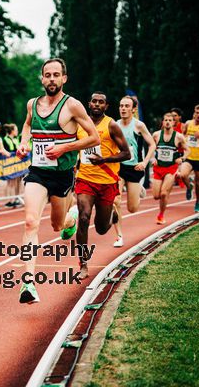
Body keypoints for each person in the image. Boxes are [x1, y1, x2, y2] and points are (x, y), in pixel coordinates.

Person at [16, 58, 100, 304]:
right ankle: (28, 283)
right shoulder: (33, 104)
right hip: (38, 172)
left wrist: (65, 147)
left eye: (56, 75)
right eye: (47, 75)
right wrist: (24, 143)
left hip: (62, 175)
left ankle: (69, 219)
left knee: (57, 226)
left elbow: (93, 138)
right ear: (41, 78)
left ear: (64, 78)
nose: (51, 79)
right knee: (31, 222)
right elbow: (27, 126)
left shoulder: (72, 106)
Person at [61, 92, 130, 279]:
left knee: (101, 228)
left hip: (107, 182)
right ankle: (83, 265)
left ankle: (112, 215)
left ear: (106, 106)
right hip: (85, 178)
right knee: (83, 217)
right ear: (89, 104)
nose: (97, 104)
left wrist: (104, 159)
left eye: (101, 102)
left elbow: (126, 154)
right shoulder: (80, 125)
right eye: (94, 101)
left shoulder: (112, 125)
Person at [111, 96, 156, 247]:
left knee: (132, 208)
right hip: (118, 167)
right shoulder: (114, 125)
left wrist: (144, 162)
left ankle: (138, 190)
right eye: (121, 105)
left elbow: (152, 145)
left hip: (135, 168)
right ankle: (119, 236)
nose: (123, 108)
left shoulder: (139, 125)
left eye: (126, 106)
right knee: (115, 201)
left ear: (133, 109)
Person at [152, 112, 189, 224]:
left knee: (164, 193)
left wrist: (182, 159)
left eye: (170, 120)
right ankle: (166, 193)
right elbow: (151, 148)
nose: (167, 122)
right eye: (166, 120)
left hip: (171, 168)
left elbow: (188, 150)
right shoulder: (156, 135)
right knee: (156, 196)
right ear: (163, 122)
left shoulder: (179, 136)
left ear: (173, 122)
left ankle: (161, 215)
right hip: (158, 168)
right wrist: (153, 159)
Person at [3, 123, 23, 208]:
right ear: (12, 131)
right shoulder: (5, 139)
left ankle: (16, 198)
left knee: (17, 181)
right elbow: (11, 150)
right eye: (16, 130)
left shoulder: (16, 139)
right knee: (10, 182)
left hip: (17, 163)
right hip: (9, 163)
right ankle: (9, 200)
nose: (17, 131)